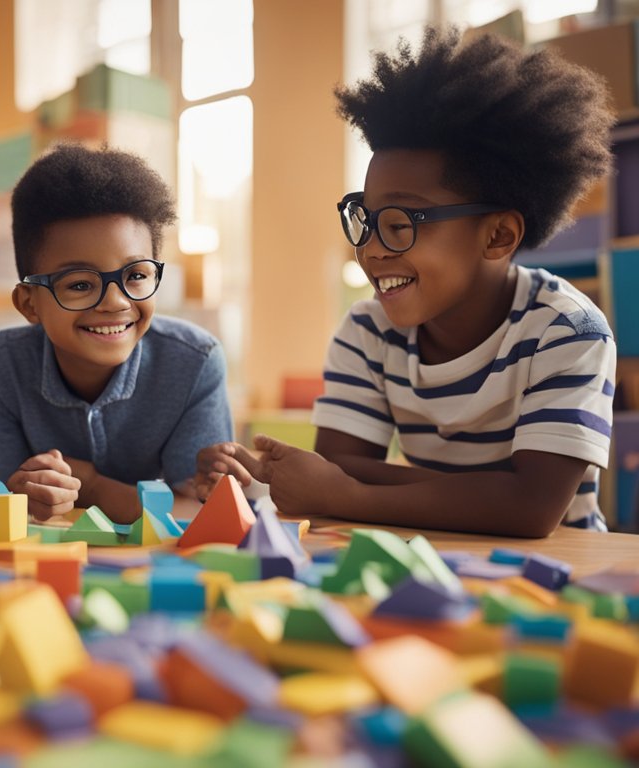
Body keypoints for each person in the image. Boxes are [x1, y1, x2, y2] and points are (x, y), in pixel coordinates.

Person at [196, 27, 616, 536]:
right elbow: (338, 466)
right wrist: (338, 482)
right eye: (367, 220)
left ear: (498, 235)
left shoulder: (566, 332)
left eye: (401, 224)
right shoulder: (368, 330)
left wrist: (349, 493)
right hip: (428, 553)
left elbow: (530, 510)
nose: (370, 249)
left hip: (558, 573)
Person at [0, 144, 233, 524]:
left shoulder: (194, 363)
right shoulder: (0, 369)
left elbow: (199, 513)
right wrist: (24, 497)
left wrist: (91, 485)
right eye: (79, 284)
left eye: (136, 276)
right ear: (29, 304)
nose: (114, 302)